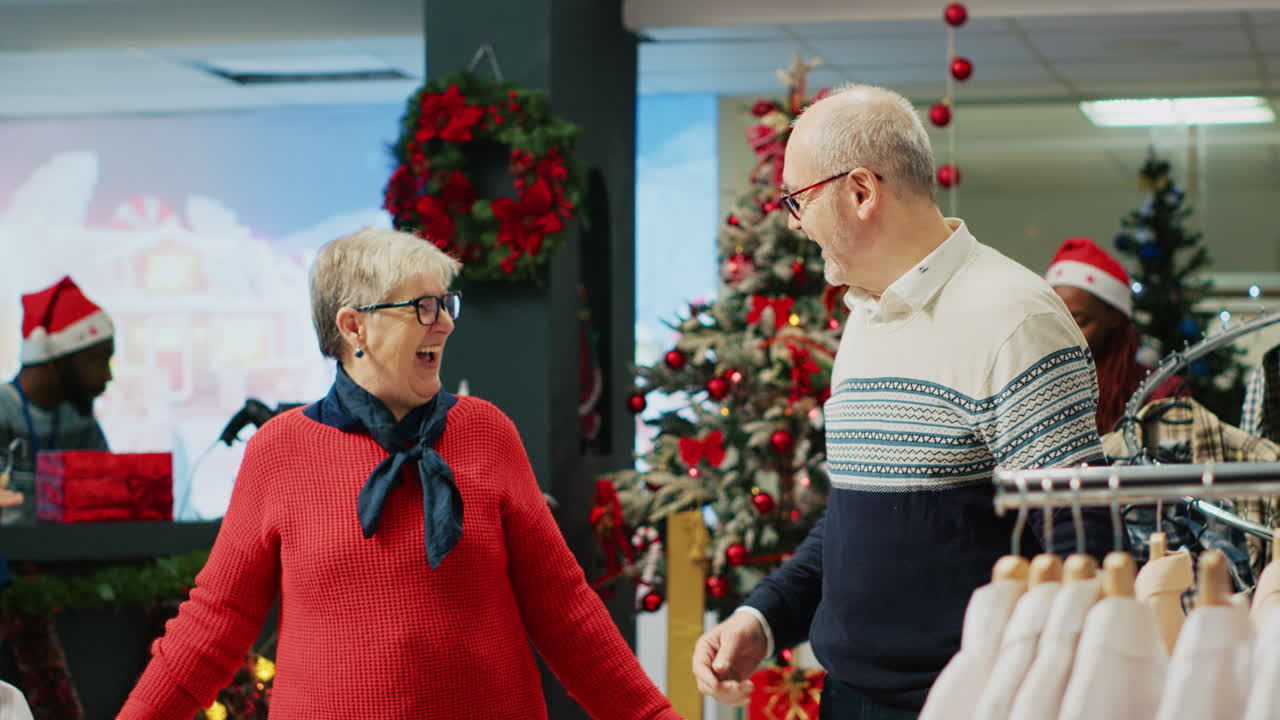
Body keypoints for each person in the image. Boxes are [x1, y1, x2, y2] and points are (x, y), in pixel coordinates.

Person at [118, 227, 681, 720]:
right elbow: (214, 623)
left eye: (445, 304)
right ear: (353, 327)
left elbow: (566, 611)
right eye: (422, 308)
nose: (443, 326)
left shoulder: (488, 433)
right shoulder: (280, 451)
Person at [692, 85, 1112, 718]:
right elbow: (859, 517)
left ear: (861, 191)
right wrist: (765, 617)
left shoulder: (1014, 318)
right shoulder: (867, 314)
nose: (793, 223)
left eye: (798, 200)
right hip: (849, 696)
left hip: (972, 702)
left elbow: (1083, 549)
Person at [0, 276, 114, 524]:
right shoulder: (3, 412)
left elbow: (110, 503)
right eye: (98, 359)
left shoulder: (80, 421)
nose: (108, 376)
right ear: (56, 361)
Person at [1045, 236, 1188, 434]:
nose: (1063, 335)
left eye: (1079, 322)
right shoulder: (1036, 388)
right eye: (1054, 321)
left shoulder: (1159, 392)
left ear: (1114, 317)